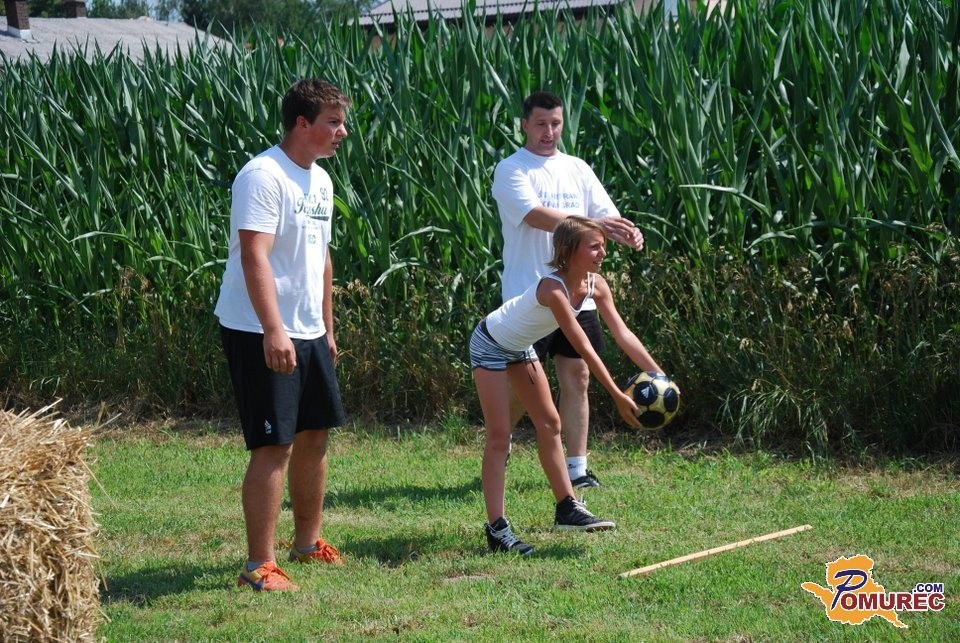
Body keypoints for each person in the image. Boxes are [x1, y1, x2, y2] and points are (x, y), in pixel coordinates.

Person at [214, 79, 351, 592]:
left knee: (315, 435)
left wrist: (326, 328)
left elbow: (322, 259)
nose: (342, 132)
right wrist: (274, 330)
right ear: (301, 123)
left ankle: (307, 544)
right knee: (275, 444)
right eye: (333, 122)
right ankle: (259, 565)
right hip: (259, 327)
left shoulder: (321, 180)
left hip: (308, 330)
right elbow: (255, 254)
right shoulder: (263, 175)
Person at [471, 217, 665, 555]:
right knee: (500, 436)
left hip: (520, 347)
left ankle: (567, 508)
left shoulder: (596, 285)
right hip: (490, 344)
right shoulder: (553, 289)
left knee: (550, 424)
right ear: (568, 251)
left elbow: (623, 334)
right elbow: (583, 347)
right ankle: (497, 530)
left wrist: (660, 376)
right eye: (595, 246)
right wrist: (617, 395)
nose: (603, 252)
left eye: (603, 246)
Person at [492, 90, 646, 490]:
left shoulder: (577, 168)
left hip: (579, 293)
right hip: (530, 295)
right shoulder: (511, 169)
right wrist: (594, 224)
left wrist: (626, 231)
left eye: (556, 123)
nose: (549, 132)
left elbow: (605, 217)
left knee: (577, 376)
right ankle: (500, 442)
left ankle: (578, 469)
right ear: (524, 125)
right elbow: (537, 216)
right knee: (523, 386)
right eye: (540, 124)